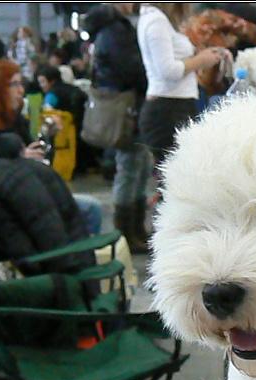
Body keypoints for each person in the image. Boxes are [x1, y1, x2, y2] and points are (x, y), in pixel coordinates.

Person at [0, 59, 98, 275]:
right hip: (10, 202)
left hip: (30, 189)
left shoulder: (16, 121)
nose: (20, 91)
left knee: (89, 209)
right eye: (13, 84)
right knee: (89, 210)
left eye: (20, 83)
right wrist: (21, 157)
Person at [84, 2, 151, 253]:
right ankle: (126, 233)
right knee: (131, 169)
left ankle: (134, 231)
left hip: (127, 108)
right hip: (127, 110)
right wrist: (150, 78)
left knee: (137, 167)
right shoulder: (113, 31)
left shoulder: (112, 29)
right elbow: (130, 70)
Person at [137, 3, 229, 168]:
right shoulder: (156, 21)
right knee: (175, 178)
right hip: (168, 110)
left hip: (174, 106)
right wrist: (202, 60)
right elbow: (168, 70)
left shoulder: (159, 20)